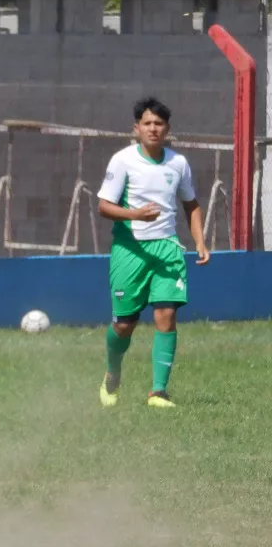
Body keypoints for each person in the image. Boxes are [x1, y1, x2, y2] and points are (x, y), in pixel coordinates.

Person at [97, 97, 209, 408]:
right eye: (147, 123)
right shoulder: (122, 161)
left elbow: (192, 205)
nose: (153, 128)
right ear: (136, 129)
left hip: (167, 249)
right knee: (124, 324)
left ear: (167, 129)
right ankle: (112, 373)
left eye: (158, 124)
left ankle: (158, 391)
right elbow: (103, 206)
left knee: (166, 314)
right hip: (129, 250)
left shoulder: (178, 163)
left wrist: (199, 241)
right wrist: (135, 216)